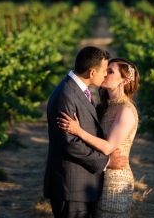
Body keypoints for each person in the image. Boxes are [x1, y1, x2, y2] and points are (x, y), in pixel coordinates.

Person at [44, 46, 128, 218]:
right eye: (104, 71)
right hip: (71, 187)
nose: (105, 75)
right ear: (92, 73)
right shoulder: (66, 95)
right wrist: (106, 162)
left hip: (81, 187)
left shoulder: (78, 91)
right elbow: (70, 143)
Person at [57, 57, 140, 217]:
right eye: (105, 70)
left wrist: (78, 131)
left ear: (124, 80)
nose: (105, 74)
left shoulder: (125, 110)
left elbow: (108, 147)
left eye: (110, 71)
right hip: (97, 175)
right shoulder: (105, 106)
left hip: (116, 180)